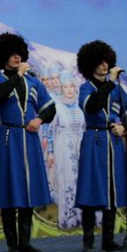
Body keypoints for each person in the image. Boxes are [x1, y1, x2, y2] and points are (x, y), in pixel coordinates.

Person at [0, 32, 55, 252]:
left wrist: (39, 119)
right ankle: (12, 244)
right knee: (9, 189)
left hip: (30, 137)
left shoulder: (33, 81)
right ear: (3, 57)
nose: (17, 57)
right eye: (12, 54)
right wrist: (17, 75)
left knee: (29, 189)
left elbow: (50, 107)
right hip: (9, 137)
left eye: (19, 54)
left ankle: (25, 242)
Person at [75, 40, 127, 252]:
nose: (105, 65)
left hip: (113, 143)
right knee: (91, 188)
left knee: (112, 192)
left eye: (107, 62)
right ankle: (88, 241)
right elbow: (92, 106)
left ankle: (108, 240)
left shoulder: (118, 89)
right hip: (94, 141)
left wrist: (124, 126)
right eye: (100, 62)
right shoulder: (86, 88)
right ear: (90, 64)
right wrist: (110, 82)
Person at [49, 70, 85, 229]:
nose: (69, 90)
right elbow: (50, 130)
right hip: (63, 149)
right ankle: (69, 218)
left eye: (71, 86)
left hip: (81, 147)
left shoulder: (81, 105)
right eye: (65, 87)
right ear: (61, 88)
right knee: (68, 181)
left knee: (82, 181)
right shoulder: (57, 106)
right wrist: (51, 152)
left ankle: (85, 217)